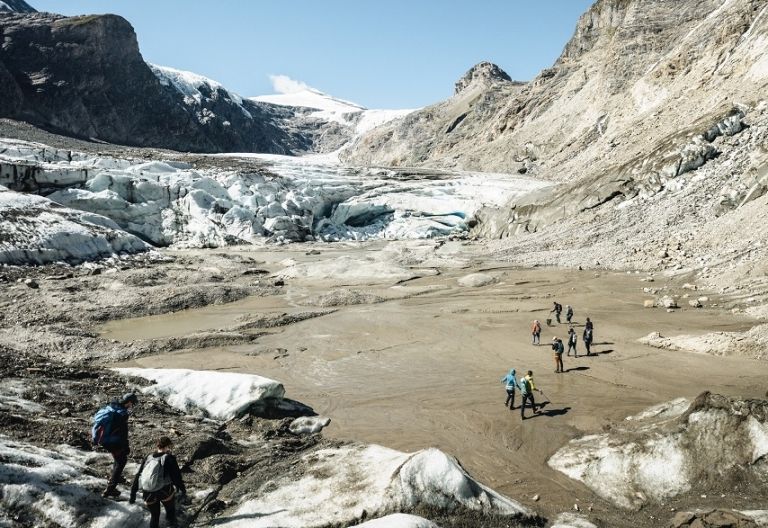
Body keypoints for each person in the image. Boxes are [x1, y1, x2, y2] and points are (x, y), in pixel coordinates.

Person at [130, 436, 187, 528]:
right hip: (164, 491)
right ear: (168, 446)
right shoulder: (169, 458)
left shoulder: (148, 457)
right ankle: (171, 525)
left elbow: (138, 475)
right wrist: (182, 489)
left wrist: (133, 493)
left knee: (155, 516)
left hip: (148, 492)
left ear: (157, 445)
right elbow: (176, 477)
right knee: (170, 511)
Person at [92, 393, 138, 498]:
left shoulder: (112, 405)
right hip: (110, 440)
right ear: (129, 402)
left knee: (118, 458)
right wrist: (125, 446)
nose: (132, 406)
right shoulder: (122, 414)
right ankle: (110, 489)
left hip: (103, 438)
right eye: (132, 403)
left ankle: (115, 478)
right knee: (122, 461)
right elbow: (123, 433)